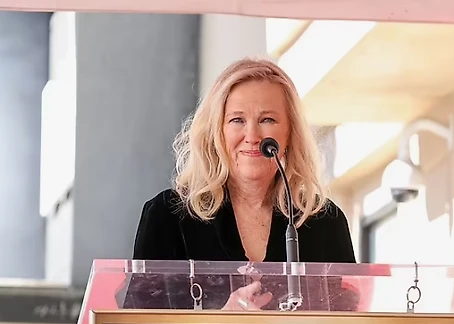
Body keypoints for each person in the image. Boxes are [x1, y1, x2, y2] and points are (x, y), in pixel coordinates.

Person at [126, 57, 357, 311]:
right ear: (217, 131)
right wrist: (221, 322)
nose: (253, 136)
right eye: (237, 120)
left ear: (290, 133)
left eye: (267, 120)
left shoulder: (325, 221)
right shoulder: (168, 216)